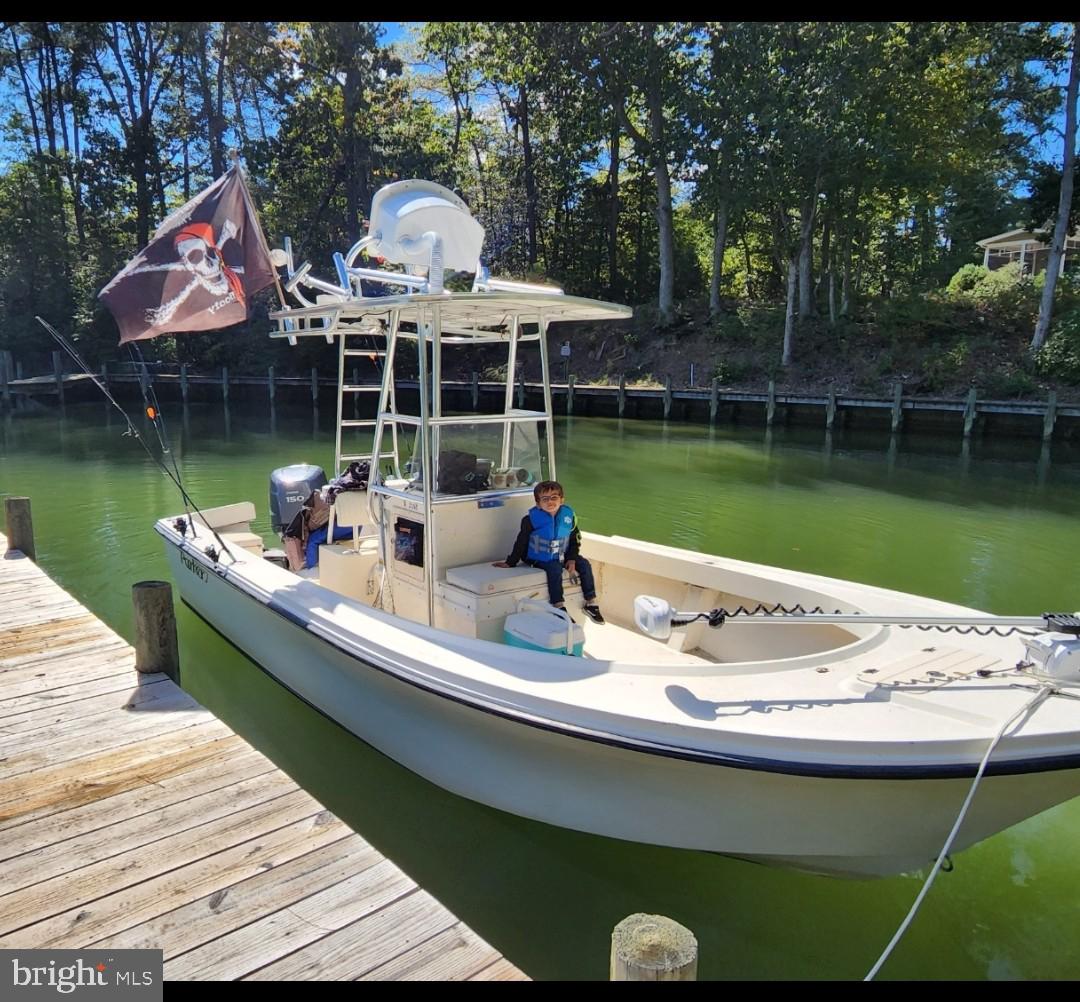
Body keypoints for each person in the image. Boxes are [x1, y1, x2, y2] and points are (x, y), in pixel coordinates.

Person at [494, 481, 605, 624]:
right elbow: (521, 542)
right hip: (537, 558)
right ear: (538, 503)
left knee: (584, 564)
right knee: (555, 568)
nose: (550, 502)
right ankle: (558, 606)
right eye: (545, 499)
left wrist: (571, 559)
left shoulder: (568, 517)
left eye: (554, 497)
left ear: (562, 499)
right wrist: (510, 562)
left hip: (562, 555)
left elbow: (574, 540)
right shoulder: (530, 520)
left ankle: (591, 603)